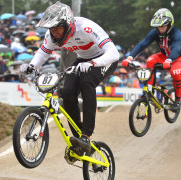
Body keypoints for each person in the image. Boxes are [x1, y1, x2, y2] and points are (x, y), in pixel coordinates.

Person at [19, 1, 119, 153]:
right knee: (67, 92)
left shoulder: (86, 28)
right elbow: (43, 52)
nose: (55, 33)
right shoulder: (51, 35)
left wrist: (94, 62)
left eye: (58, 28)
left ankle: (86, 134)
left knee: (87, 82)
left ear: (68, 25)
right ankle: (78, 137)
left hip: (104, 58)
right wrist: (31, 65)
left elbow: (113, 52)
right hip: (83, 60)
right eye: (51, 29)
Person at [122, 8, 181, 111]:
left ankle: (178, 101)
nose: (160, 29)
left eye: (163, 26)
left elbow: (176, 49)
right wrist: (129, 58)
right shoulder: (155, 32)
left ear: (170, 24)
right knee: (150, 60)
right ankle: (150, 90)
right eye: (158, 26)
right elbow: (142, 44)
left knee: (174, 72)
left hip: (179, 57)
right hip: (164, 56)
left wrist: (169, 60)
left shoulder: (177, 34)